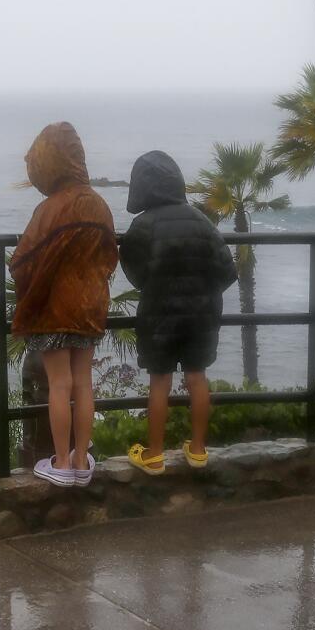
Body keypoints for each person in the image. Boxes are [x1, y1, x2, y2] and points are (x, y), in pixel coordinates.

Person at [11, 122, 118, 488]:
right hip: (89, 307)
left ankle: (60, 462)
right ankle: (80, 460)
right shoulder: (99, 204)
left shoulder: (51, 208)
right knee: (83, 384)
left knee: (59, 384)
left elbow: (23, 262)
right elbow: (109, 257)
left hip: (54, 309)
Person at [119, 151, 238, 475]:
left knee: (160, 382)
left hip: (160, 314)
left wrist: (157, 286)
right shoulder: (203, 221)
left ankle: (154, 455)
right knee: (197, 378)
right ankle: (198, 450)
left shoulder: (142, 225)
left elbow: (133, 270)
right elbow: (227, 271)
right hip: (202, 315)